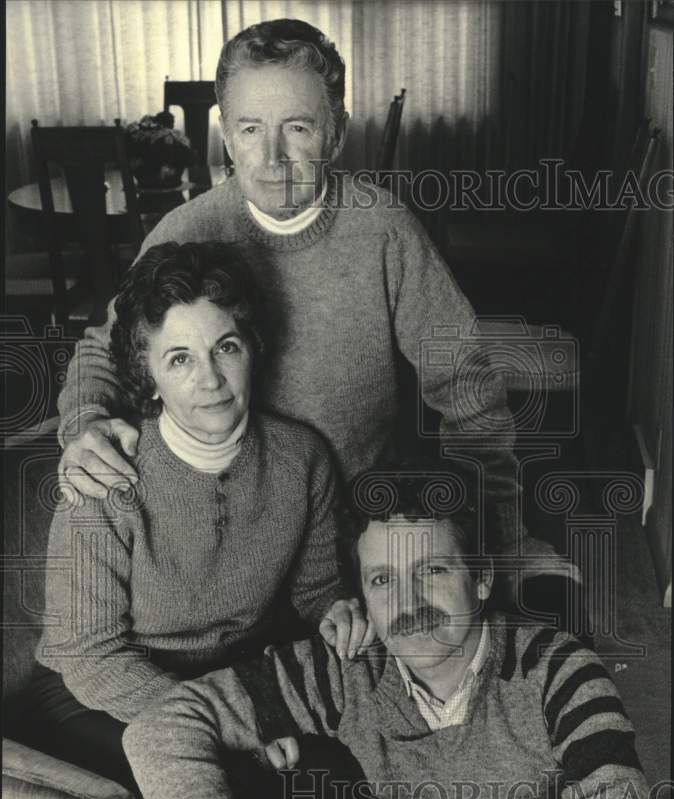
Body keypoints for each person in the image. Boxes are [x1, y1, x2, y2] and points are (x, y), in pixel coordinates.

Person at [55, 17, 577, 634]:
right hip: (216, 560)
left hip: (354, 543)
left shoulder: (383, 231)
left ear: (336, 133)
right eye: (250, 129)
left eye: (297, 128)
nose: (272, 157)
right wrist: (85, 421)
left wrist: (503, 537)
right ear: (226, 134)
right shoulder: (185, 232)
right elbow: (103, 351)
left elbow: (468, 390)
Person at [123, 468, 656, 799]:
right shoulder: (347, 671)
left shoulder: (556, 667)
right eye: (383, 580)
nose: (408, 604)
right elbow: (159, 729)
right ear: (363, 600)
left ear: (482, 578)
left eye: (432, 572)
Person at [30, 240, 361, 785]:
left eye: (225, 347)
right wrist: (224, 717)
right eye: (179, 359)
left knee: (330, 772)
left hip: (227, 677)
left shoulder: (301, 458)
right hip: (97, 692)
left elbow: (316, 590)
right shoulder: (106, 476)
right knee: (216, 782)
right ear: (148, 375)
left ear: (252, 348)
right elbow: (89, 657)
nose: (209, 379)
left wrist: (337, 610)